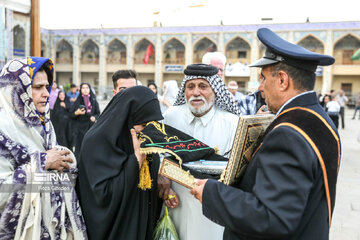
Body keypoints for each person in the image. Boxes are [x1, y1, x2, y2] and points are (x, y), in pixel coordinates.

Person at [191, 28, 341, 239]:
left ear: (282, 80)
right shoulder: (318, 119)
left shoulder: (288, 134)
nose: (260, 87)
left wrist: (211, 193)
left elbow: (272, 217)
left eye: (263, 78)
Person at [0, 57, 86, 238]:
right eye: (37, 87)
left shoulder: (44, 124)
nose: (46, 93)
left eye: (47, 86)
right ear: (15, 89)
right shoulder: (3, 129)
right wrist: (40, 162)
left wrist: (66, 161)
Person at [161, 64, 240, 240]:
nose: (196, 92)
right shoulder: (170, 116)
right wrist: (163, 177)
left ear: (215, 90)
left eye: (203, 86)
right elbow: (159, 154)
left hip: (214, 205)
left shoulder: (232, 123)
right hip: (176, 200)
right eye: (191, 86)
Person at [77, 86, 163, 240]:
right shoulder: (96, 142)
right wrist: (136, 160)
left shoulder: (144, 139)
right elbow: (100, 197)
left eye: (153, 125)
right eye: (144, 126)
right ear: (127, 117)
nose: (148, 131)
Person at [70, 83, 100, 158]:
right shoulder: (78, 100)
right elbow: (71, 114)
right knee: (79, 148)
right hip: (80, 127)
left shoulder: (93, 99)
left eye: (87, 88)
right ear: (80, 90)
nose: (85, 90)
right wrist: (77, 113)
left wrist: (94, 117)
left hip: (91, 126)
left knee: (90, 146)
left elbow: (98, 113)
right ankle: (79, 165)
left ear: (90, 89)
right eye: (83, 88)